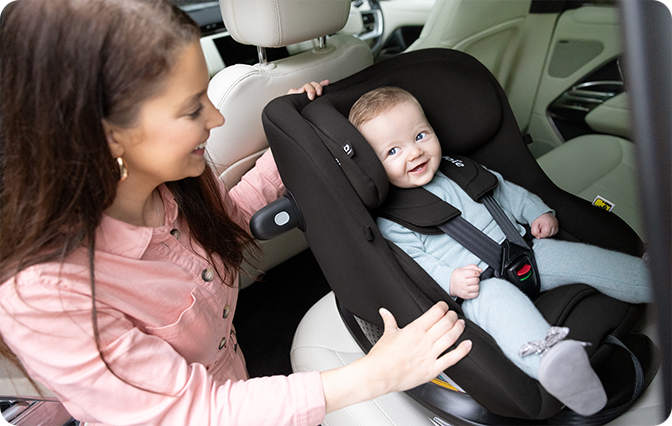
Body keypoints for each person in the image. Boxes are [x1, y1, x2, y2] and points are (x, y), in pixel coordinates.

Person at [0, 2, 473, 425]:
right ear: (106, 136)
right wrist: (377, 374)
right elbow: (191, 413)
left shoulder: (174, 182)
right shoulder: (43, 295)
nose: (217, 118)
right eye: (192, 109)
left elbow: (231, 220)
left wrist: (305, 137)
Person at [349, 86, 651, 416]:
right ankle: (554, 365)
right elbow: (416, 263)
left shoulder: (460, 168)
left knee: (585, 259)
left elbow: (507, 193)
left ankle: (647, 278)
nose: (414, 152)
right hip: (479, 286)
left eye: (421, 135)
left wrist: (536, 212)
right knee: (504, 310)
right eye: (393, 151)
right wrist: (450, 280)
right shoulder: (393, 220)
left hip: (526, 253)